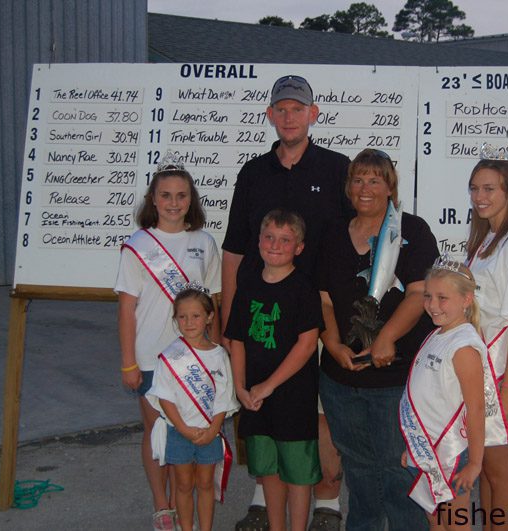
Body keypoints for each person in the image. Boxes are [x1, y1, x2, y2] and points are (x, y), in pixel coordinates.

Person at [221, 74, 350, 531]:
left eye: (298, 108)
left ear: (313, 114)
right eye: (281, 109)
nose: (289, 116)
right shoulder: (253, 173)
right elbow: (235, 250)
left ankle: (328, 503)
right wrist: (228, 319)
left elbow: (356, 241)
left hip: (319, 313)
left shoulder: (338, 169)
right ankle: (264, 496)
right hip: (261, 313)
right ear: (270, 115)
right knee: (263, 403)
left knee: (317, 413)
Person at [317, 148, 439, 530]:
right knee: (358, 467)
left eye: (375, 179)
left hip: (394, 378)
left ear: (390, 187)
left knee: (397, 465)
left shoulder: (412, 230)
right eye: (357, 179)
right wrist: (333, 344)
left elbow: (420, 294)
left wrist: (387, 337)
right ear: (348, 187)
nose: (364, 187)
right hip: (341, 378)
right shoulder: (331, 232)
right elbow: (321, 299)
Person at [115, 152, 222, 531]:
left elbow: (215, 304)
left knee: (193, 429)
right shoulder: (138, 245)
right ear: (153, 200)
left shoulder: (204, 242)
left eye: (181, 195)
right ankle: (163, 504)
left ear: (190, 200)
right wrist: (128, 361)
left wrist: (218, 355)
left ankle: (192, 500)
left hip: (195, 355)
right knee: (158, 429)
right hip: (150, 355)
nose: (174, 203)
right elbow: (127, 309)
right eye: (166, 195)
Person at [225, 210, 323, 531]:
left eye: (285, 240)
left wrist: (269, 385)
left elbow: (307, 345)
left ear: (299, 247)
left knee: (296, 472)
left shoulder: (303, 289)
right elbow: (236, 338)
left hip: (292, 398)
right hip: (254, 397)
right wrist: (240, 387)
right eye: (269, 237)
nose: (275, 245)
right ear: (258, 241)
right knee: (268, 468)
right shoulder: (249, 285)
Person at [466, 157, 508, 531]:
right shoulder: (487, 239)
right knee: (487, 472)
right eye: (475, 188)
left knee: (500, 471)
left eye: (489, 188)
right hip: (482, 371)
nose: (480, 196)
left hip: (500, 373)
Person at [400, 258, 487, 531]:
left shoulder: (463, 346)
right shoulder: (438, 334)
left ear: (466, 299)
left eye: (442, 298)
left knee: (455, 521)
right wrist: (413, 447)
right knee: (435, 518)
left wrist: (474, 463)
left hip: (452, 453)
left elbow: (476, 409)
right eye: (428, 296)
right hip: (426, 447)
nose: (433, 305)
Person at [146, 286, 239, 531]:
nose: (189, 322)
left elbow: (223, 397)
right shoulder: (170, 356)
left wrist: (214, 429)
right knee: (184, 485)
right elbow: (165, 397)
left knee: (206, 483)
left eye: (196, 316)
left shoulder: (219, 355)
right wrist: (183, 428)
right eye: (182, 316)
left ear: (209, 317)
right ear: (175, 319)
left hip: (210, 432)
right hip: (180, 432)